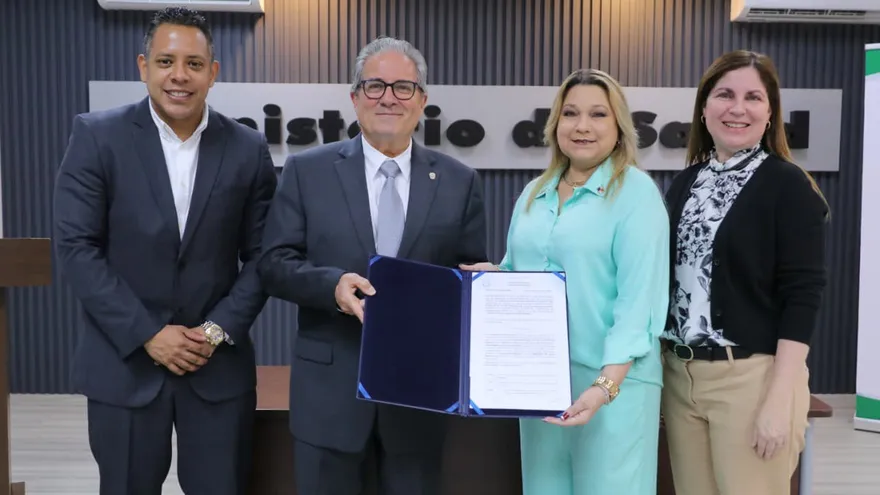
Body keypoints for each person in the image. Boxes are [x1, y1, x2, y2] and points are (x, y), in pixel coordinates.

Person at [52, 7, 277, 494]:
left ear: (213, 73)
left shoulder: (247, 148)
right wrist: (148, 333)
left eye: (194, 64)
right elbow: (77, 247)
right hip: (124, 365)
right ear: (143, 66)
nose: (180, 75)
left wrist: (214, 332)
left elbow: (264, 256)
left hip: (215, 367)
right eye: (166, 61)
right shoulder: (97, 136)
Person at [257, 36, 488, 495]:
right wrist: (332, 286)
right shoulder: (308, 171)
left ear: (422, 100)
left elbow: (466, 270)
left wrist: (481, 283)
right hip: (329, 394)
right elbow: (274, 263)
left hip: (419, 396)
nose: (388, 97)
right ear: (354, 97)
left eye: (403, 87)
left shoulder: (460, 181)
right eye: (375, 85)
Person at [461, 68, 670, 495]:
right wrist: (495, 280)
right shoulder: (534, 192)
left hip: (615, 384)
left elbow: (639, 303)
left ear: (619, 126)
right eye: (570, 113)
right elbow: (524, 277)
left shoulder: (636, 194)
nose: (582, 126)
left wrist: (604, 387)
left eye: (598, 114)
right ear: (555, 123)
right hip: (540, 385)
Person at [660, 50, 830, 495]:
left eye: (753, 97)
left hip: (751, 380)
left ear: (771, 112)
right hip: (682, 377)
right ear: (703, 106)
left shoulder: (788, 185)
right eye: (725, 95)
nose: (738, 108)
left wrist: (779, 399)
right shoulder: (685, 184)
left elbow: (803, 294)